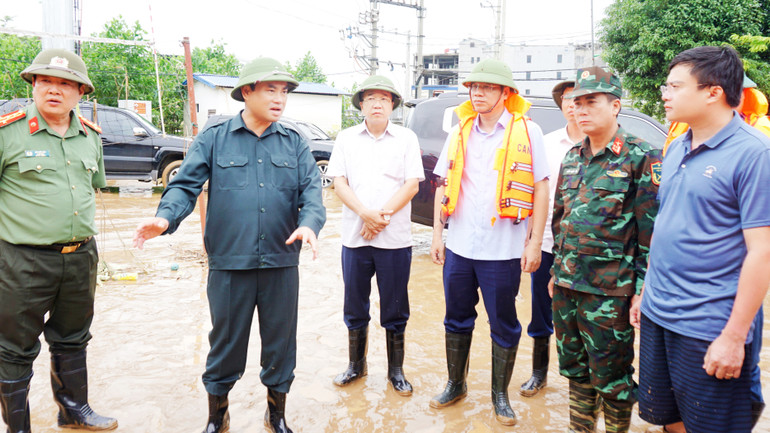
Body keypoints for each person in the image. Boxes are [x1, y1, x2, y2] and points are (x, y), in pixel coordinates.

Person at [133, 57, 326, 433]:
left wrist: (309, 225)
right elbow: (184, 186)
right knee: (224, 343)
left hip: (281, 262)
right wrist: (165, 218)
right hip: (229, 264)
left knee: (281, 344)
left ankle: (276, 415)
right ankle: (217, 416)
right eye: (271, 89)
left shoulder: (295, 144)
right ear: (247, 91)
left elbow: (312, 195)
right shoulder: (215, 138)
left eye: (284, 91)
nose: (279, 98)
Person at [633, 46, 770, 433]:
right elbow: (668, 226)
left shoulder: (755, 154)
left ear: (713, 91)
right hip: (660, 315)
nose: (664, 94)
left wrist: (733, 337)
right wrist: (646, 292)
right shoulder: (676, 146)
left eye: (675, 86)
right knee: (669, 419)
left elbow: (763, 253)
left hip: (709, 324)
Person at [0, 49, 117, 433]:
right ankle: (19, 428)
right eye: (46, 81)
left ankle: (73, 412)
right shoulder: (8, 132)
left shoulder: (90, 137)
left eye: (65, 83)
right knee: (14, 348)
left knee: (73, 337)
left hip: (80, 257)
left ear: (80, 91)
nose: (54, 90)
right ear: (33, 85)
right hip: (21, 260)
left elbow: (90, 190)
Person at [429, 58, 549, 426]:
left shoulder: (528, 132)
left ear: (505, 93)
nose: (477, 93)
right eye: (473, 88)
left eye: (487, 87)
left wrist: (534, 242)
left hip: (504, 249)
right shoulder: (459, 132)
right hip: (461, 247)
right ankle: (456, 383)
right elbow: (441, 183)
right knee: (456, 317)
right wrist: (437, 233)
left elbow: (542, 187)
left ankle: (500, 394)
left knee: (504, 322)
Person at [549, 66, 661, 433]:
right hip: (567, 286)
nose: (581, 109)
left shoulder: (640, 157)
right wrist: (555, 274)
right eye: (576, 102)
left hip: (610, 293)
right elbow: (560, 219)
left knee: (612, 379)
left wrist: (642, 292)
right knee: (576, 371)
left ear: (615, 106)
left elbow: (651, 234)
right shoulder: (571, 157)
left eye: (591, 101)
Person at [326, 75, 424, 396]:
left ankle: (396, 371)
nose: (378, 103)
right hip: (355, 239)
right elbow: (339, 182)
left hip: (394, 240)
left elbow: (412, 185)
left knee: (395, 306)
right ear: (362, 105)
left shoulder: (407, 138)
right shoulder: (346, 138)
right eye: (371, 98)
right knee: (355, 304)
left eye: (384, 98)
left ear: (393, 104)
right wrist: (365, 215)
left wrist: (379, 217)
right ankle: (357, 366)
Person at [519, 79, 584, 398]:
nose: (574, 104)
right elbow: (534, 193)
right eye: (568, 99)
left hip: (590, 250)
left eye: (582, 98)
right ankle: (538, 374)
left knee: (587, 318)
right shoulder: (546, 143)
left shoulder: (609, 145)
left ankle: (584, 385)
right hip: (547, 242)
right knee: (542, 311)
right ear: (561, 105)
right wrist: (530, 239)